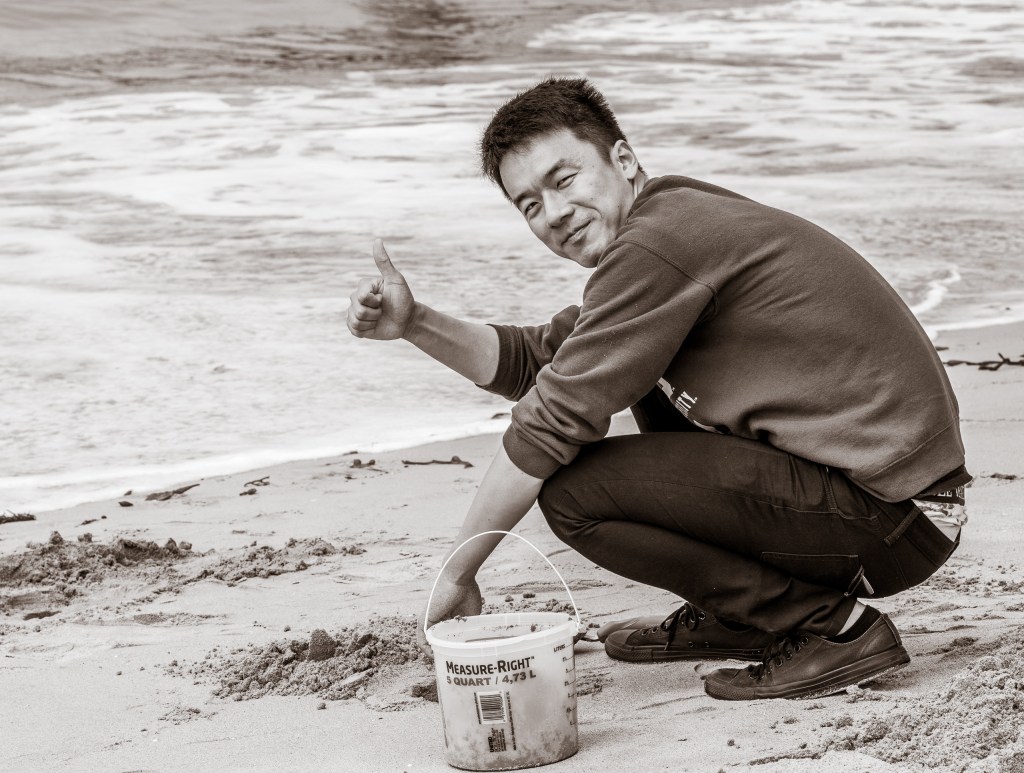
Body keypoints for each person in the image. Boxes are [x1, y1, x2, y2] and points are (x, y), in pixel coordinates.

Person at [345, 77, 970, 700]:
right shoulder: (663, 232)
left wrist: (459, 572)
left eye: (564, 180)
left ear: (623, 159)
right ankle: (739, 618)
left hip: (894, 518)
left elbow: (546, 424)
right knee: (617, 381)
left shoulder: (663, 244)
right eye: (529, 204)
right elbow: (541, 362)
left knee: (574, 492)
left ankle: (833, 628)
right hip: (890, 508)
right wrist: (416, 323)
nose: (554, 214)